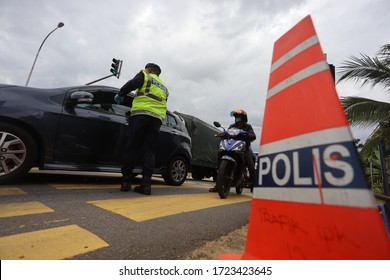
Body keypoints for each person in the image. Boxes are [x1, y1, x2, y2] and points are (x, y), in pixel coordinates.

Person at [114, 63, 169, 195]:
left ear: (150, 70)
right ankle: (146, 185)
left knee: (131, 146)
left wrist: (121, 94)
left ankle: (126, 182)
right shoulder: (165, 88)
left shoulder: (145, 75)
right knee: (149, 150)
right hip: (156, 120)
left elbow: (132, 84)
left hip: (140, 115)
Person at [209, 109, 256, 192]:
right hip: (231, 146)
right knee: (221, 155)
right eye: (236, 117)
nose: (237, 118)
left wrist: (248, 134)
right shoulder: (232, 126)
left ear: (244, 118)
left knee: (251, 165)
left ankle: (253, 186)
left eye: (239, 117)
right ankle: (218, 185)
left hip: (244, 148)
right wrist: (221, 134)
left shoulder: (248, 126)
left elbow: (253, 135)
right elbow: (227, 133)